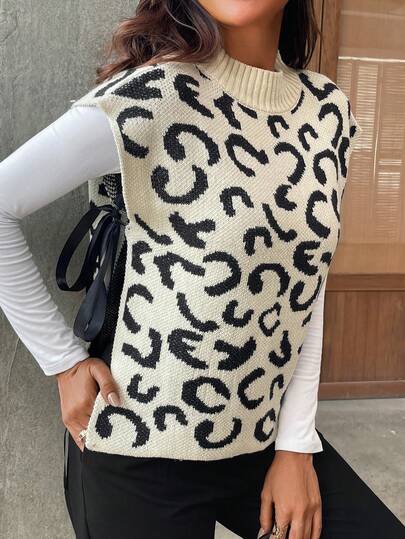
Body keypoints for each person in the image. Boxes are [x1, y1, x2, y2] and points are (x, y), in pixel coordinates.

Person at [0, 1, 404, 538]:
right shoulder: (151, 96)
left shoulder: (327, 112)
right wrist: (64, 363)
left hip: (261, 438)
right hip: (138, 444)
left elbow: (308, 286)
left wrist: (296, 446)